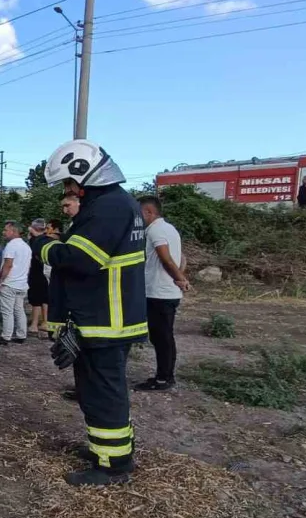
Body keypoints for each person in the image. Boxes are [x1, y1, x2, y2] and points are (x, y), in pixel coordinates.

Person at [39, 139, 147, 486]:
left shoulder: (109, 207)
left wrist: (45, 247)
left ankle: (114, 465)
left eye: (70, 183)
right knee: (96, 390)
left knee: (103, 391)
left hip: (106, 321)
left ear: (84, 175)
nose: (69, 191)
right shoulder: (115, 204)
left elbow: (80, 260)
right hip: (104, 319)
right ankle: (107, 449)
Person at [135, 196, 190, 391]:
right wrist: (180, 275)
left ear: (148, 212)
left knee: (162, 337)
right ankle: (164, 375)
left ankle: (164, 378)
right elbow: (182, 257)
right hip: (164, 291)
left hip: (160, 293)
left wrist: (179, 279)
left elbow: (165, 258)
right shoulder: (169, 228)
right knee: (163, 336)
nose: (138, 218)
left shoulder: (156, 230)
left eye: (139, 213)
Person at [0, 221, 31, 345]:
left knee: (7, 311)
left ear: (13, 231)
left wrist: (0, 280)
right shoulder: (26, 247)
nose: (4, 232)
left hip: (10, 283)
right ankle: (22, 334)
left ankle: (6, 336)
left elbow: (8, 264)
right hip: (22, 283)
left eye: (6, 230)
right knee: (19, 309)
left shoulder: (11, 246)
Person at [27, 219, 50, 338]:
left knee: (36, 299)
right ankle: (45, 322)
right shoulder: (49, 240)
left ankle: (35, 324)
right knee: (45, 298)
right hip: (47, 272)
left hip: (36, 271)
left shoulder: (34, 241)